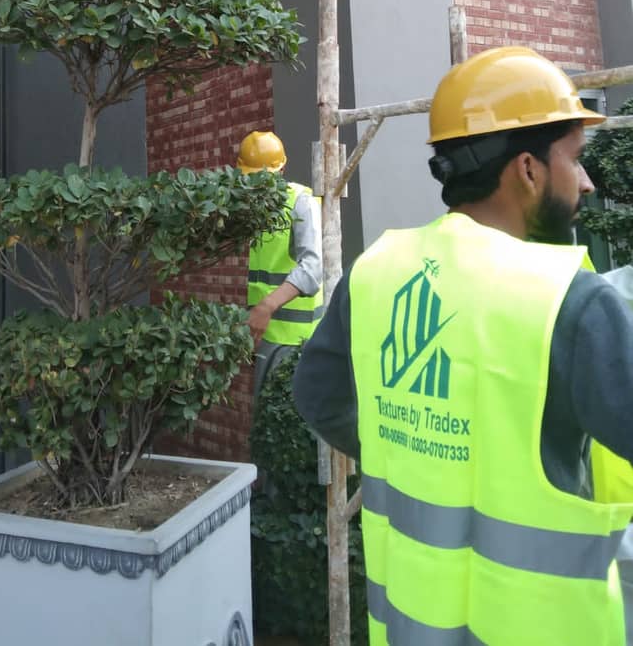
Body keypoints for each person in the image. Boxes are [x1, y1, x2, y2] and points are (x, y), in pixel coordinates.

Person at [293, 46, 633, 645]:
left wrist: (422, 453)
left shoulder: (378, 269)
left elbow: (318, 395)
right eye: (575, 160)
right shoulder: (570, 301)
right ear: (527, 169)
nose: (585, 180)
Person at [237, 130, 323, 401]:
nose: (257, 185)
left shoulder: (301, 202)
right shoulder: (257, 209)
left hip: (297, 340)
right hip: (265, 336)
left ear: (282, 169)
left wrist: (266, 307)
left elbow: (312, 268)